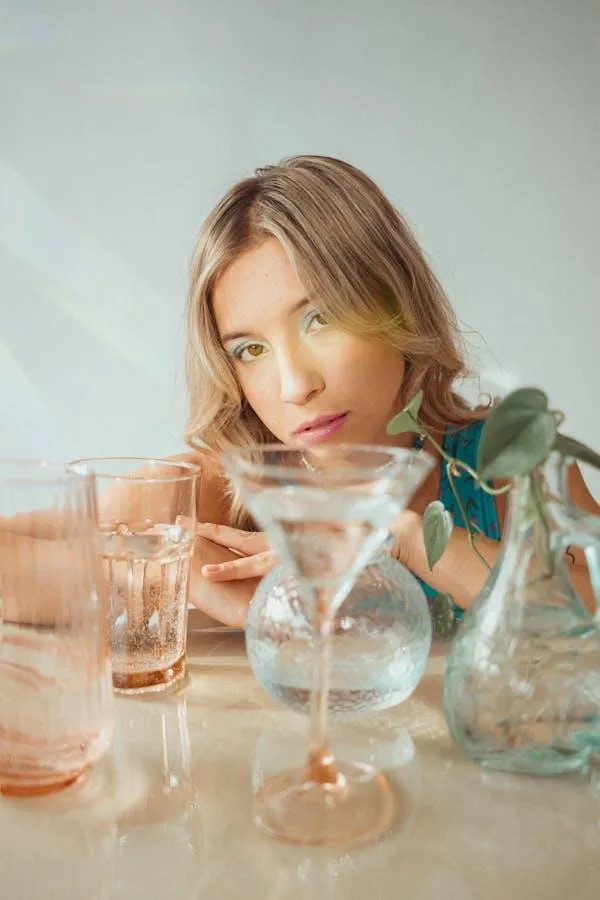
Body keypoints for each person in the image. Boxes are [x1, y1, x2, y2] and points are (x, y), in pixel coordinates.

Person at [182, 154, 600, 628]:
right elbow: (95, 535)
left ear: (397, 303)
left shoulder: (503, 465)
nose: (295, 387)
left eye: (321, 320)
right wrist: (184, 573)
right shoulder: (236, 478)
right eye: (251, 350)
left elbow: (590, 610)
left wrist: (395, 537)